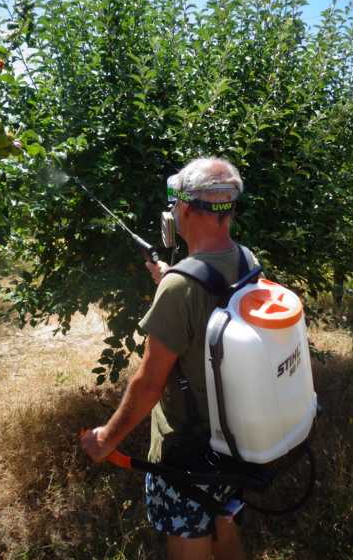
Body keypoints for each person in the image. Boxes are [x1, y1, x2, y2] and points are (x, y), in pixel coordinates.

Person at [81, 157, 255, 560]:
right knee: (225, 522)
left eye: (175, 203)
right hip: (236, 440)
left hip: (188, 452)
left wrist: (106, 440)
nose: (172, 211)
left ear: (188, 208)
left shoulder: (180, 288)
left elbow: (148, 383)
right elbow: (213, 303)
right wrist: (174, 276)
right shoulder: (247, 260)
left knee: (189, 542)